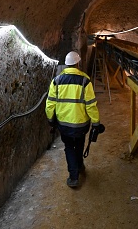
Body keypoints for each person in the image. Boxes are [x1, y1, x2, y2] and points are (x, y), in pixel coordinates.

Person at [46, 51, 100, 188]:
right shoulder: (85, 81)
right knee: (80, 143)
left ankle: (73, 177)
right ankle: (80, 165)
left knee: (69, 147)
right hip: (81, 124)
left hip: (64, 124)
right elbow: (91, 105)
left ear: (66, 64)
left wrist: (51, 119)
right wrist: (96, 122)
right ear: (77, 63)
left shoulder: (56, 81)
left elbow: (50, 103)